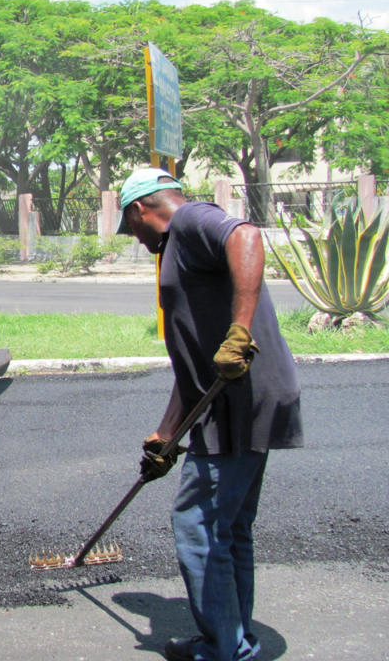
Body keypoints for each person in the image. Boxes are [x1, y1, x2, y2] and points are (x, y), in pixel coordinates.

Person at [116, 167, 303, 661]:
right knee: (229, 527)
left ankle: (225, 648)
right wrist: (167, 434)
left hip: (240, 399)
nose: (134, 239)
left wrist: (240, 333)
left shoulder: (192, 221)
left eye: (129, 228)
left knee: (197, 522)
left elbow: (246, 235)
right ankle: (232, 638)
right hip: (231, 399)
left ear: (140, 211)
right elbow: (194, 364)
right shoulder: (178, 247)